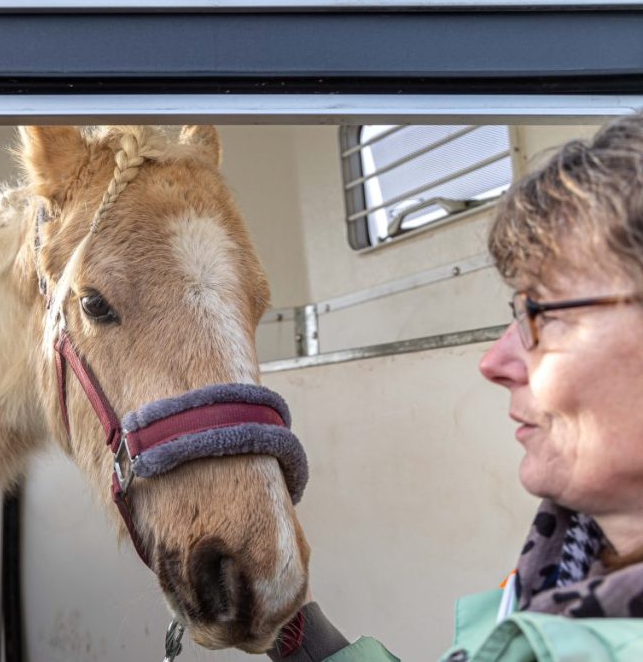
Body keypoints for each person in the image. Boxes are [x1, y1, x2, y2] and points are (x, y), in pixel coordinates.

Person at [270, 113, 643, 662]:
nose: (495, 362)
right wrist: (298, 629)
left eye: (543, 313)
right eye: (516, 311)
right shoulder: (559, 565)